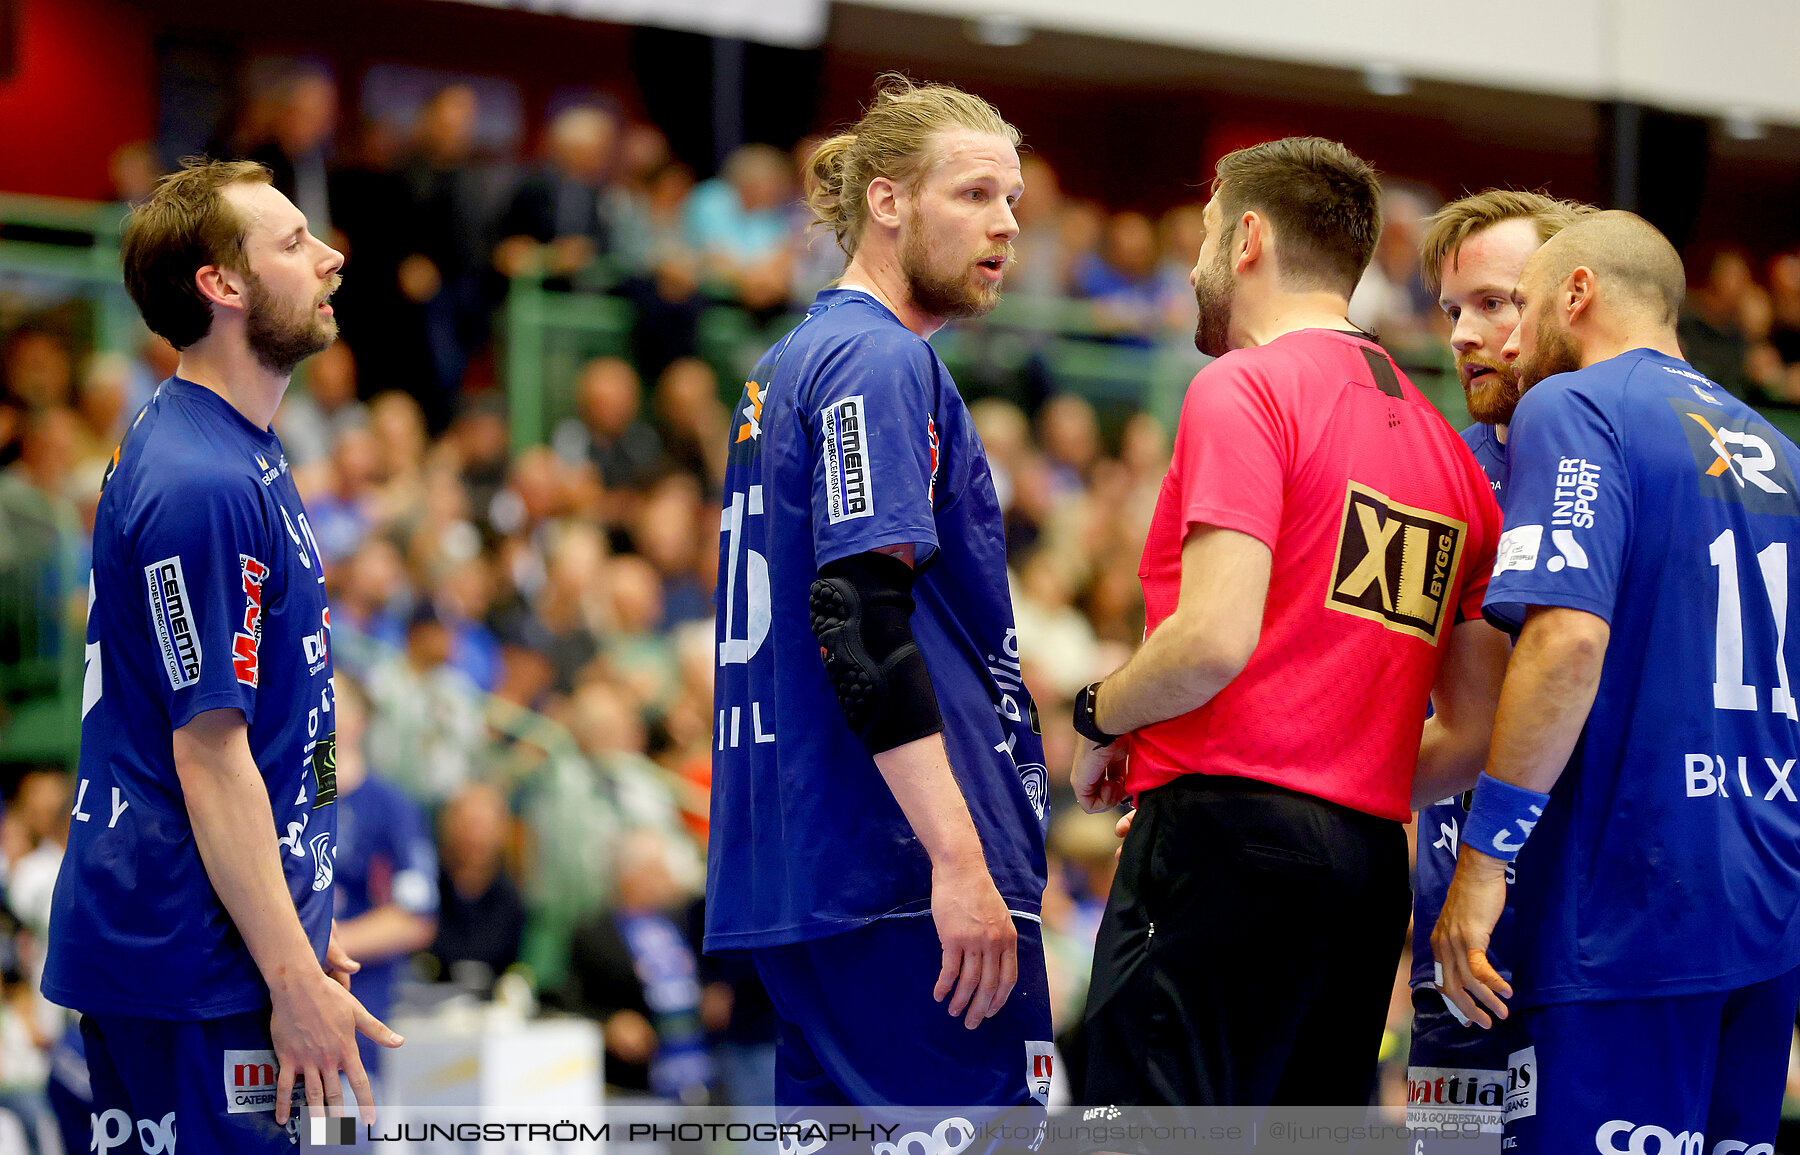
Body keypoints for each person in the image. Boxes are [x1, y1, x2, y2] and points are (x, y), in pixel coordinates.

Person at [1070, 137, 1506, 1107]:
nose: (1194, 264)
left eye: (1207, 235)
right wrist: (1338, 775)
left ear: (1250, 237)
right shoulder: (1453, 460)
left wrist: (1100, 714)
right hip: (1362, 870)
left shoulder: (1247, 387)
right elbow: (1473, 734)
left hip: (1221, 841)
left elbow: (1214, 640)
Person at [705, 76, 1053, 1124]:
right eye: (976, 194)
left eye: (1015, 202)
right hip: (897, 878)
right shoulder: (875, 357)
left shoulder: (790, 361)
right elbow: (857, 610)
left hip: (805, 876)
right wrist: (956, 860)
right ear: (889, 201)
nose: (1004, 224)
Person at [40, 159, 398, 1151]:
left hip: (226, 945)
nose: (330, 258)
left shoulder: (237, 448)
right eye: (293, 242)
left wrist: (295, 921)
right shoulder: (199, 480)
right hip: (189, 964)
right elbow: (207, 751)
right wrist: (288, 970)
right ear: (221, 284)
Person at [1434, 210, 1800, 1152]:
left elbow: (1565, 643)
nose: (1507, 342)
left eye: (1516, 308)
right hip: (1766, 917)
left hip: (1627, 908)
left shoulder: (1578, 404)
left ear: (1578, 293)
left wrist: (1483, 858)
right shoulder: (1783, 455)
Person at [1406, 190, 1593, 1145]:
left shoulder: (1627, 459)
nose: (1469, 335)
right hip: (1454, 941)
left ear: (1574, 296)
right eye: (1452, 311)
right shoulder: (1439, 471)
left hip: (1593, 940)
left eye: (1497, 302)